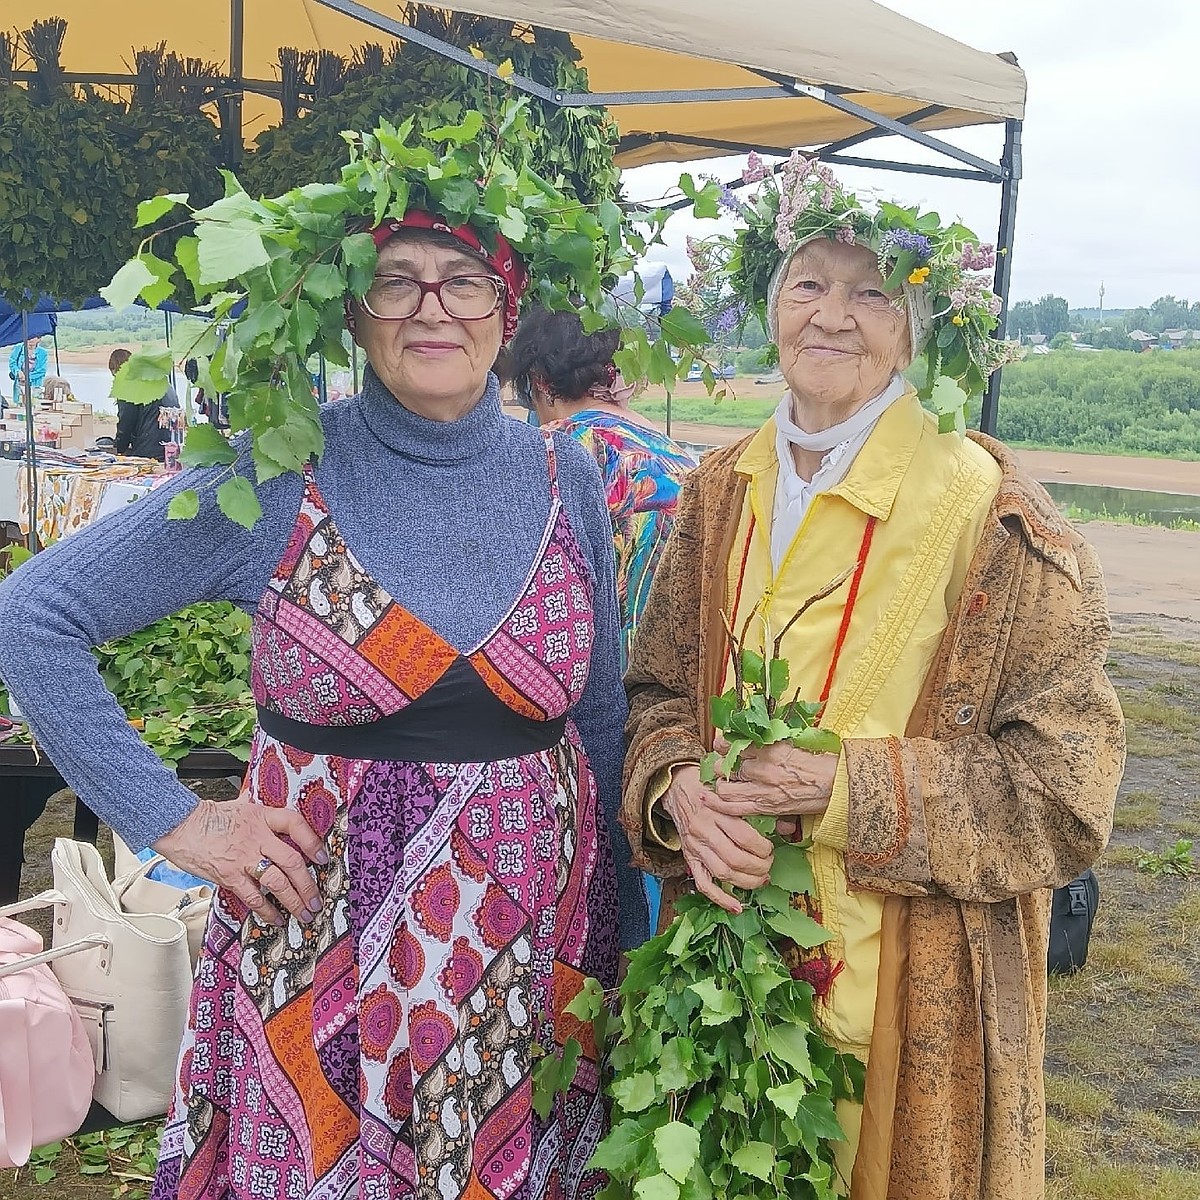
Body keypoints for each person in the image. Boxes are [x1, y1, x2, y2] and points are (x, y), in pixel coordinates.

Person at [0, 206, 633, 1198]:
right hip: (327, 968)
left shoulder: (568, 477)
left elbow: (598, 716)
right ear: (354, 312)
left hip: (532, 963)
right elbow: (33, 615)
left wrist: (620, 937)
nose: (432, 307)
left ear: (505, 312)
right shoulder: (279, 472)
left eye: (463, 281)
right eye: (398, 280)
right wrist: (181, 823)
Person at [620, 156, 1125, 1198]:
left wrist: (845, 790)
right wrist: (677, 790)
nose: (834, 316)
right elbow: (659, 694)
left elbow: (1067, 790)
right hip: (725, 985)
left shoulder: (993, 514)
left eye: (872, 293)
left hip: (906, 1001)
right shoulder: (720, 489)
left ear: (919, 326)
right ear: (769, 309)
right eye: (809, 283)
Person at [503, 306, 695, 931]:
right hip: (683, 694)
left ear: (538, 383)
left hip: (614, 691)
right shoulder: (667, 445)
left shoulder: (561, 450)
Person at [109, 347, 182, 460]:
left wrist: (119, 449)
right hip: (172, 446)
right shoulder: (159, 380)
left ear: (116, 370)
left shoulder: (127, 386)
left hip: (149, 449)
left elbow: (126, 422)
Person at [7, 335, 48, 412]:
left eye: (33, 337)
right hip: (20, 384)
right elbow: (12, 363)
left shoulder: (43, 353)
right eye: (29, 337)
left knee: (34, 407)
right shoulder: (18, 348)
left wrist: (27, 377)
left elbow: (42, 370)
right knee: (20, 407)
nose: (30, 339)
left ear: (39, 339)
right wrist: (18, 372)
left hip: (35, 385)